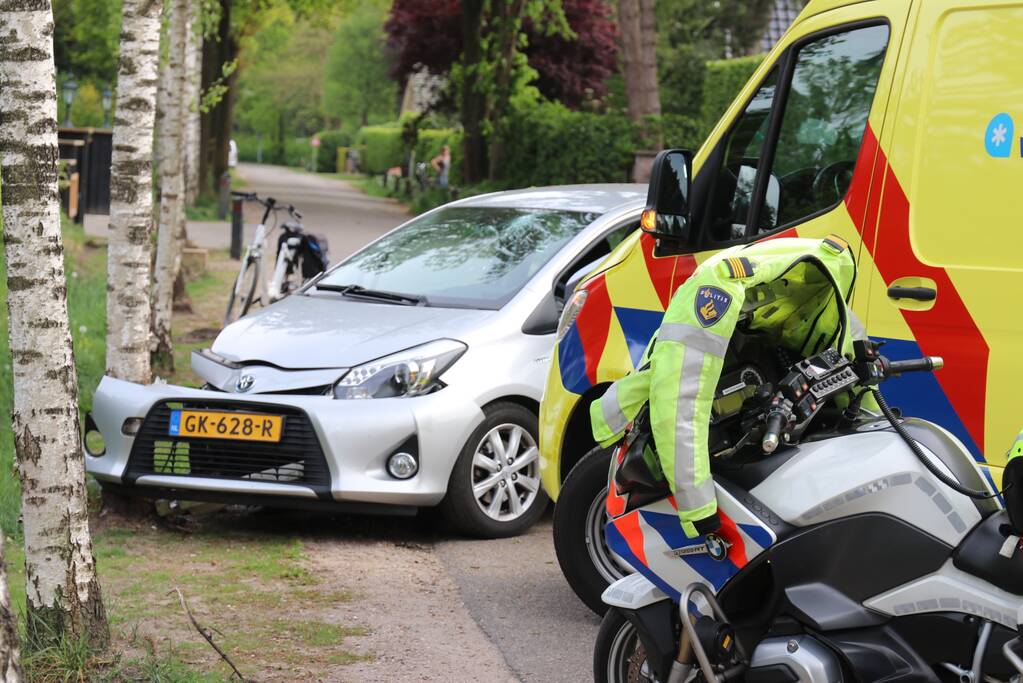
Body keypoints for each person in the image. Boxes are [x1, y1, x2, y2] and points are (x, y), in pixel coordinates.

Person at [590, 235, 859, 539]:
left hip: (686, 396)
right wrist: (699, 509)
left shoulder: (821, 279)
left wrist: (862, 420)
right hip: (644, 416)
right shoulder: (715, 294)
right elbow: (679, 408)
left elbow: (848, 349)